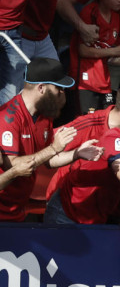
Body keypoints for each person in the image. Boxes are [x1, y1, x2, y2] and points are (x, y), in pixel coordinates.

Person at [0, 58, 102, 222]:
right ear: (41, 88)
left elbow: (48, 160)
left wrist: (76, 154)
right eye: (58, 88)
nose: (62, 93)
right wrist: (53, 148)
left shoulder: (44, 114)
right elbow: (12, 165)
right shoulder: (7, 119)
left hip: (18, 209)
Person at [72, 0, 120, 113]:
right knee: (87, 123)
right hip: (86, 82)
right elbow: (83, 50)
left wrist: (117, 57)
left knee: (105, 121)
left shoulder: (115, 16)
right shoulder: (90, 13)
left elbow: (105, 49)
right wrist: (116, 51)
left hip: (104, 80)